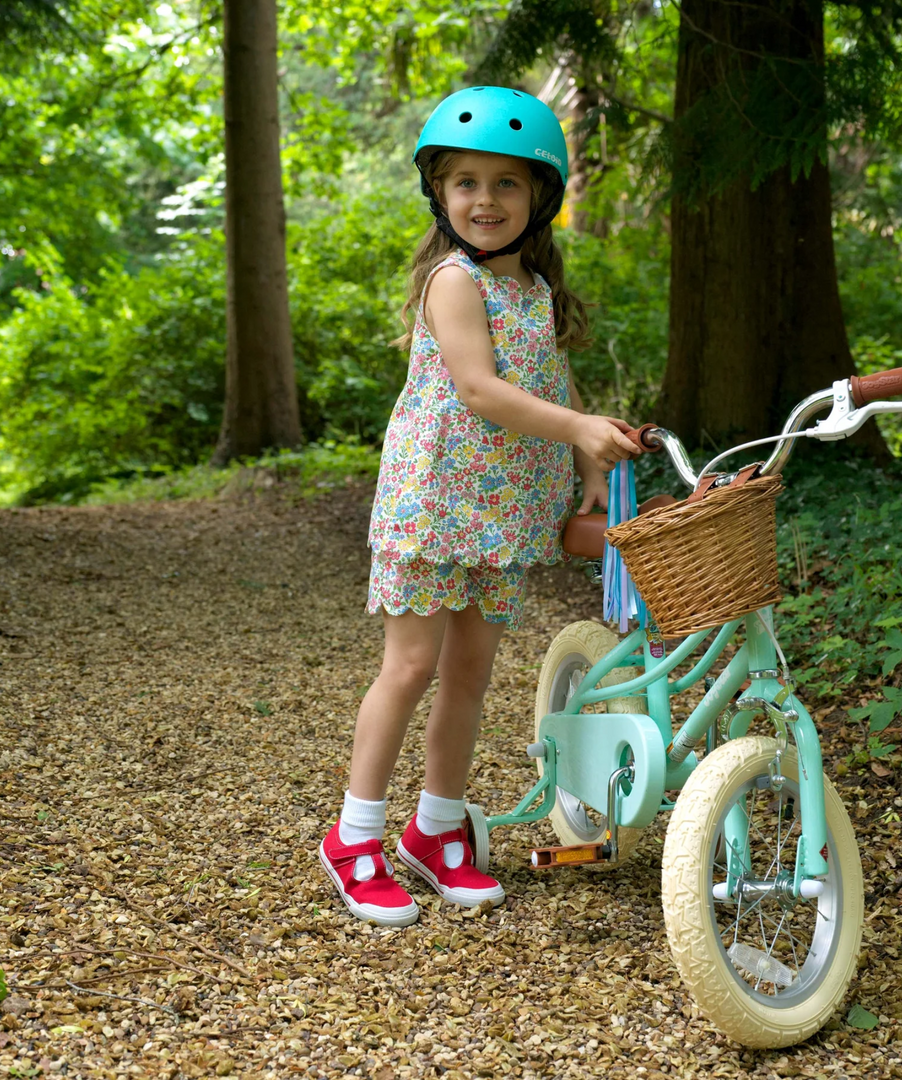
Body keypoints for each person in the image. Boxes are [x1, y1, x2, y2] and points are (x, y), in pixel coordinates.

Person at [320, 86, 640, 926]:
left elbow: (552, 383)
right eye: (465, 182)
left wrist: (590, 464)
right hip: (434, 506)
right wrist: (577, 425)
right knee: (412, 666)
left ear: (540, 198)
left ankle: (435, 830)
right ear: (440, 192)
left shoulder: (534, 289)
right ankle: (354, 838)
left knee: (469, 672)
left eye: (506, 184)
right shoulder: (451, 282)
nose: (485, 200)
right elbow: (480, 388)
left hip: (506, 515)